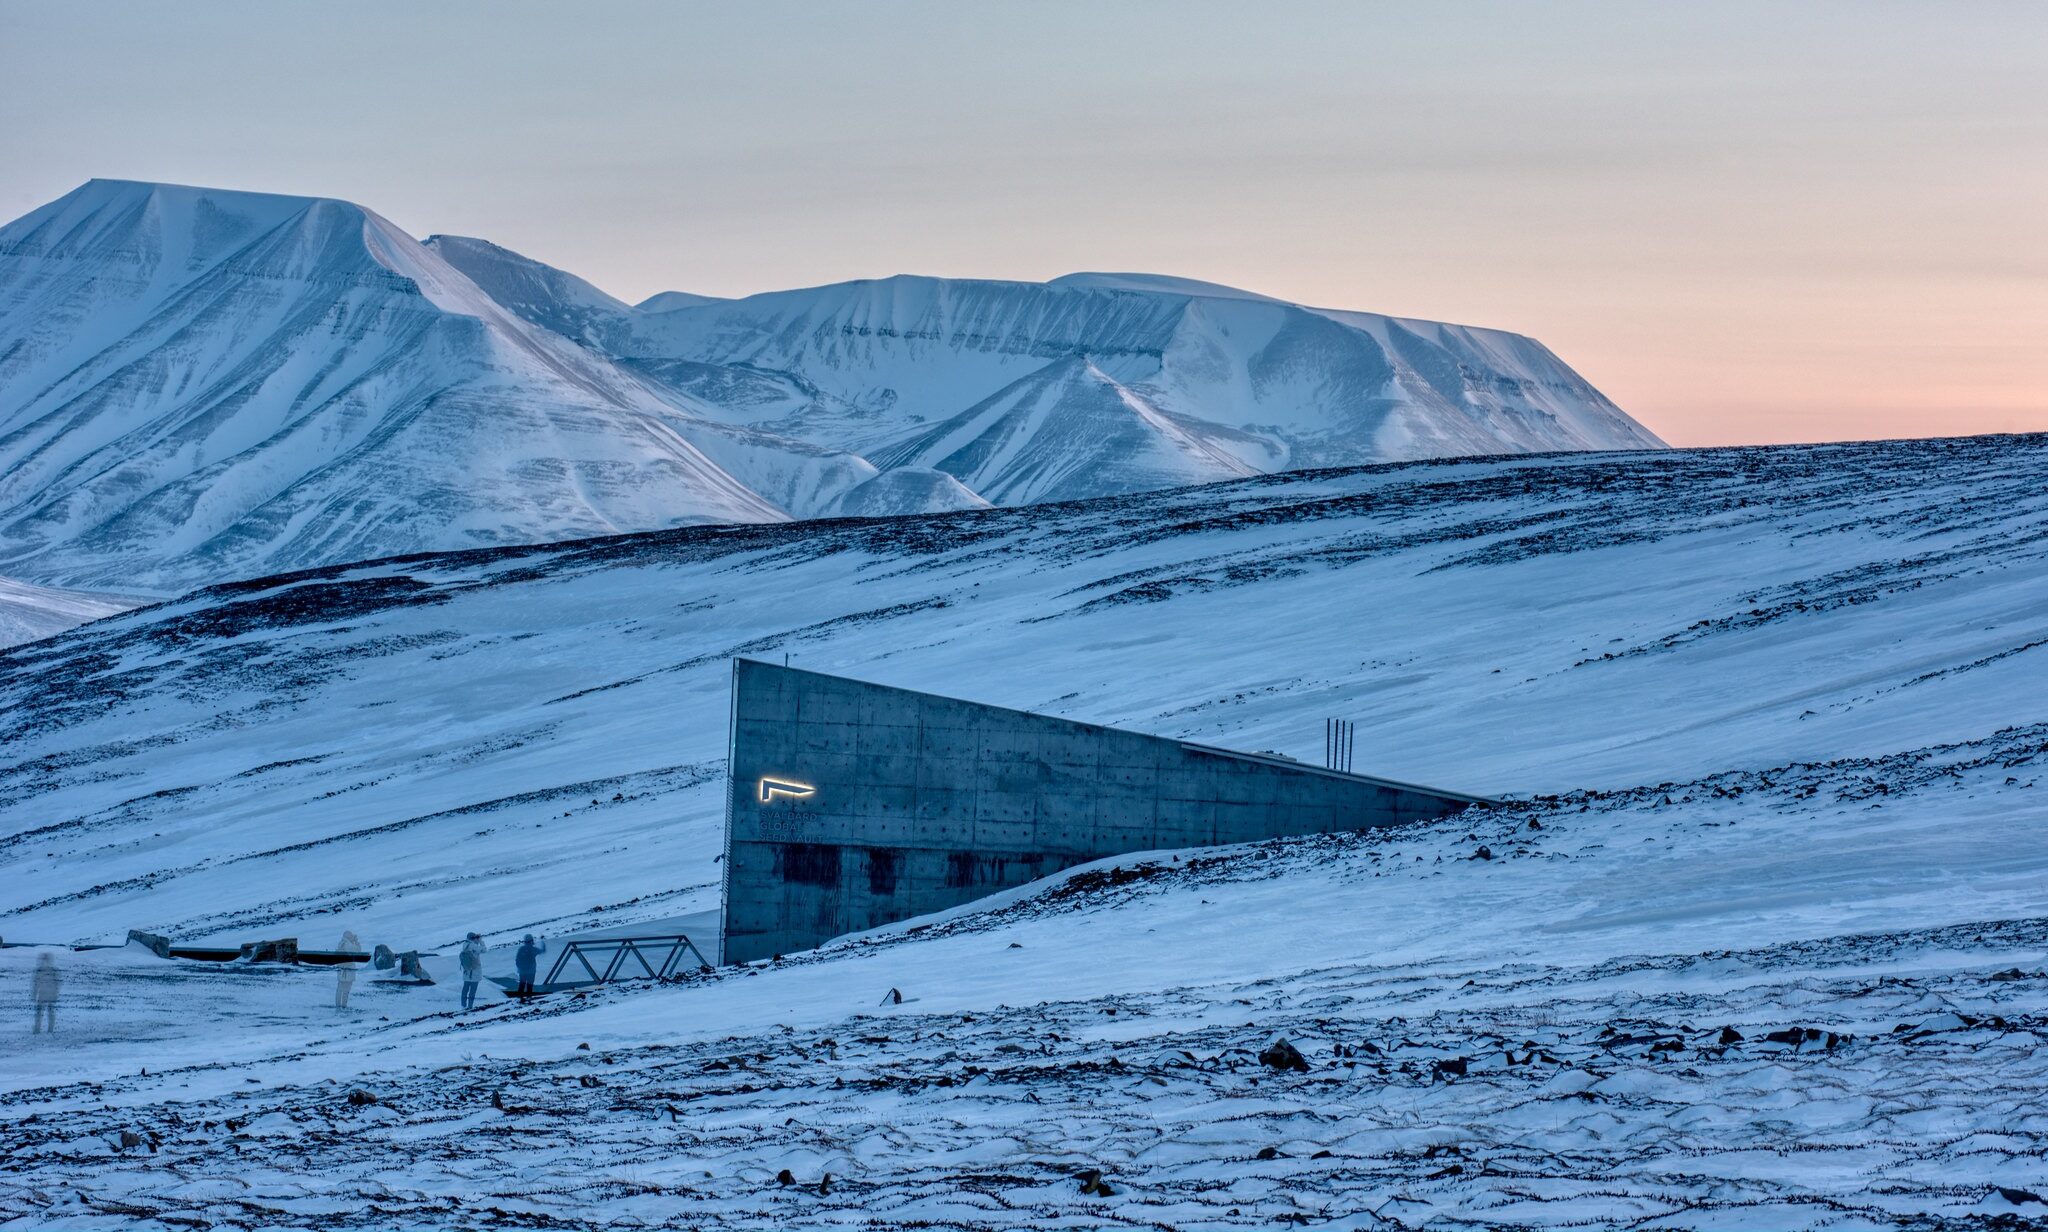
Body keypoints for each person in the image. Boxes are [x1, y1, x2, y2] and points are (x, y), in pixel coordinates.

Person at [31, 952, 58, 1034]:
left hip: (43, 994)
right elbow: (57, 984)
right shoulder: (53, 971)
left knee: (41, 1012)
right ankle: (49, 1029)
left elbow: (36, 984)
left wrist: (34, 994)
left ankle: (38, 1028)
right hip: (48, 995)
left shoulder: (40, 971)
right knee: (49, 1012)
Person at [334, 930, 361, 1010]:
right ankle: (343, 1006)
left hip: (342, 970)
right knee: (345, 990)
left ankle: (339, 1005)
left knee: (341, 989)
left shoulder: (342, 943)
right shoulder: (347, 944)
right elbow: (358, 951)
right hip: (347, 970)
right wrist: (356, 942)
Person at [514, 933, 546, 999]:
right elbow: (542, 951)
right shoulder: (533, 949)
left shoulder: (521, 949)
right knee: (529, 986)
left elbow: (517, 960)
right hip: (531, 972)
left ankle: (520, 999)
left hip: (523, 971)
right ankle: (528, 998)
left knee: (522, 985)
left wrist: (520, 968)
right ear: (531, 941)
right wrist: (542, 942)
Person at [458, 932, 486, 1010]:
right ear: (473, 938)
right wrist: (480, 941)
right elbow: (484, 950)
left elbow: (473, 950)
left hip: (467, 971)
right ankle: (470, 1006)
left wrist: (476, 941)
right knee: (473, 990)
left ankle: (463, 1005)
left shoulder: (465, 944)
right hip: (474, 971)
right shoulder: (473, 945)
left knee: (465, 989)